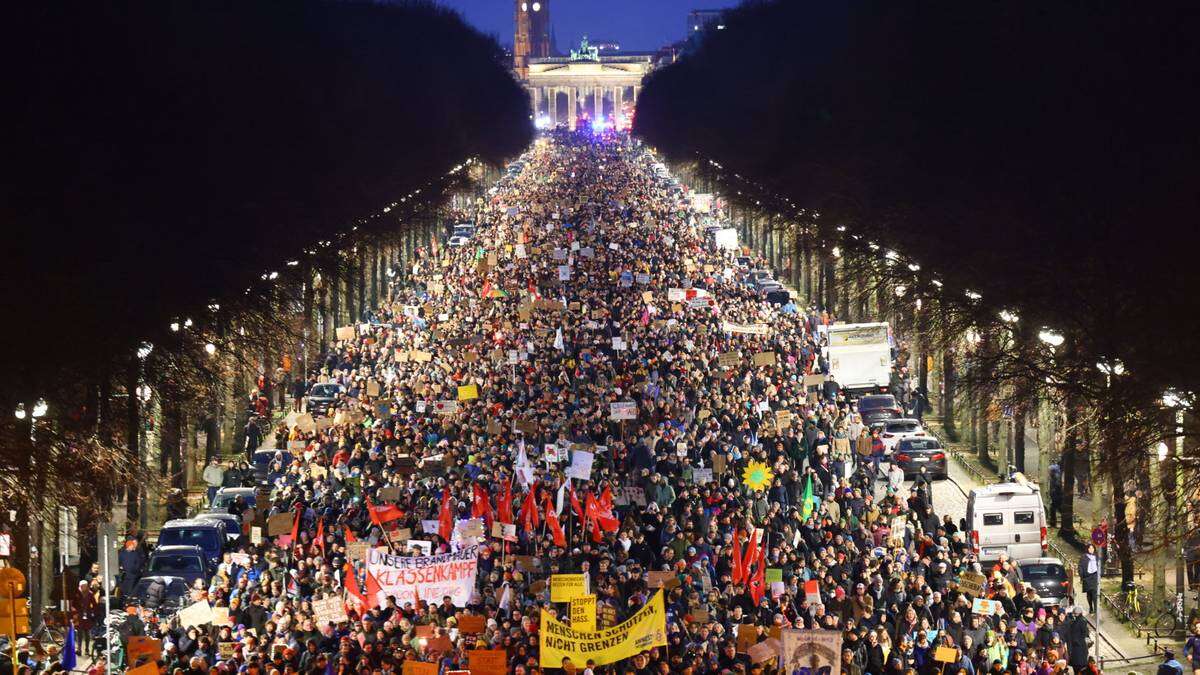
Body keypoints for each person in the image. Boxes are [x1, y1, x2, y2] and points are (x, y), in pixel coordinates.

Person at [1078, 544, 1100, 613]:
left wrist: (1100, 574)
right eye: (1090, 548)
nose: (1091, 550)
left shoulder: (1096, 556)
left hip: (1095, 576)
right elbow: (1080, 566)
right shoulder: (1083, 557)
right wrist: (1082, 575)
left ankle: (1096, 609)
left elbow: (1100, 565)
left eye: (1092, 548)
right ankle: (1091, 607)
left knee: (1095, 593)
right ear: (1087, 549)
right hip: (1087, 577)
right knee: (1089, 594)